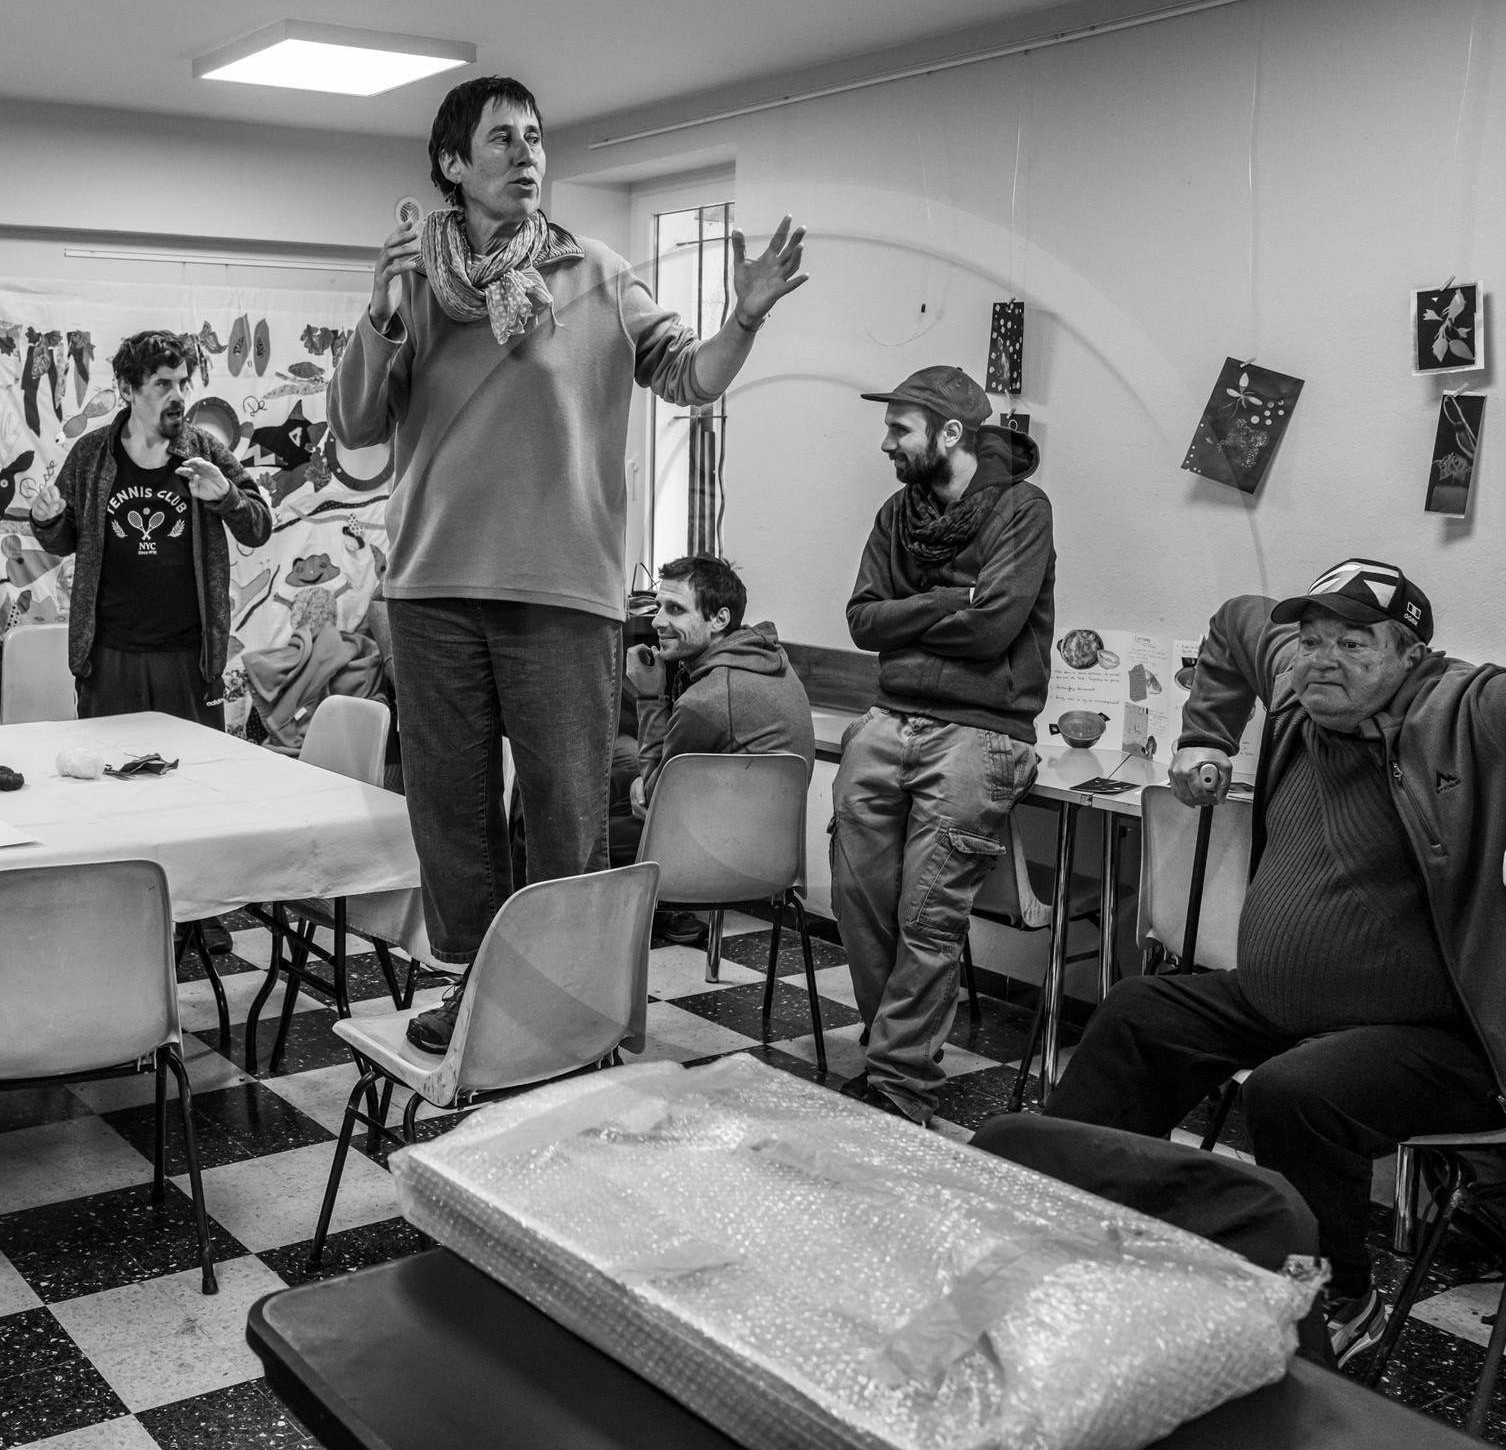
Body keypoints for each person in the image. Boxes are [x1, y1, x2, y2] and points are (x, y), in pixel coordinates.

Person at [329, 75, 807, 1052]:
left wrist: (745, 318)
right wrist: (378, 311)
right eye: (501, 139)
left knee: (563, 817)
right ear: (452, 163)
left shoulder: (596, 272)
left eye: (535, 137)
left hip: (563, 592)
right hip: (431, 589)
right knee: (451, 818)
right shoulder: (414, 284)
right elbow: (355, 425)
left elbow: (691, 377)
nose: (526, 154)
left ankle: (568, 1006)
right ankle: (478, 994)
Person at [1045, 557, 1506, 1367]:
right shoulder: (1303, 682)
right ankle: (1063, 1225)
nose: (1322, 660)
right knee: (1139, 1014)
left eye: (1354, 643)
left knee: (1296, 1093)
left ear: (1410, 654)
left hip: (1461, 1031)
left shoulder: (1471, 707)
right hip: (1288, 1005)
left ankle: (1337, 1298)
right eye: (1311, 640)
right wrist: (1205, 733)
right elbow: (1236, 621)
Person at [832, 366, 1056, 1125]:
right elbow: (862, 621)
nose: (886, 443)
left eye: (899, 429)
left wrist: (910, 618)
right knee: (858, 899)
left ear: (950, 433)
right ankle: (892, 1047)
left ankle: (898, 1084)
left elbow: (995, 628)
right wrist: (946, 600)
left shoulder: (1023, 509)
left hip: (981, 731)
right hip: (887, 718)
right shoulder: (897, 514)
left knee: (926, 915)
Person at [30, 329, 272, 954]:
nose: (176, 395)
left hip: (189, 655)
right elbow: (64, 537)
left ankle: (199, 912)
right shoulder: (92, 454)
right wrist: (46, 519)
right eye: (163, 383)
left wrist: (225, 497)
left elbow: (259, 525)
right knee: (110, 791)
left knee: (193, 790)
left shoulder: (205, 450)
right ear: (128, 388)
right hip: (108, 653)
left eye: (182, 382)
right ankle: (116, 909)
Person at [625, 554, 816, 943]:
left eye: (675, 609)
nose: (657, 621)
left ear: (719, 619)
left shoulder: (708, 700)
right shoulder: (770, 659)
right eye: (658, 607)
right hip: (779, 860)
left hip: (722, 863)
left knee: (591, 823)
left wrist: (649, 696)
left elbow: (653, 802)